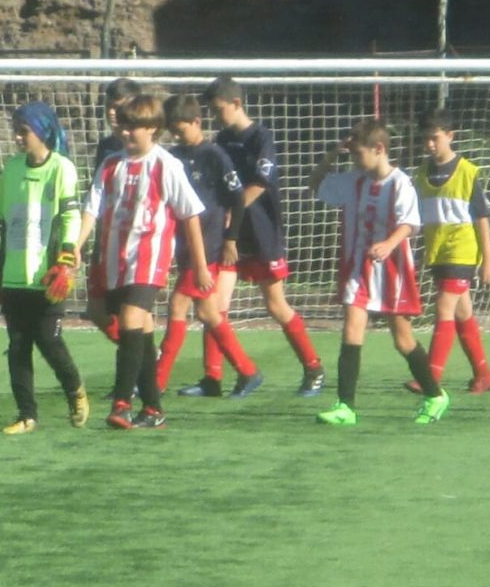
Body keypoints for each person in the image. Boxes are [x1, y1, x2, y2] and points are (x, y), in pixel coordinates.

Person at [183, 77, 324, 396]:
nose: (215, 116)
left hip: (260, 232)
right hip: (229, 236)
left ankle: (314, 369)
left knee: (276, 305)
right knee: (214, 306)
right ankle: (212, 378)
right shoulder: (221, 140)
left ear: (236, 103)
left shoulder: (261, 137)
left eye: (218, 109)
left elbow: (261, 182)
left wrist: (233, 209)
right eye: (210, 111)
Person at [77, 94, 208, 430]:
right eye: (123, 125)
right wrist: (75, 246)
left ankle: (121, 403)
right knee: (142, 333)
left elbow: (190, 214)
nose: (125, 132)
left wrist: (201, 265)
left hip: (149, 260)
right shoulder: (111, 164)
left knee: (131, 320)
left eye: (133, 127)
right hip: (115, 258)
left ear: (153, 128)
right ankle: (153, 408)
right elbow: (92, 208)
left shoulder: (166, 164)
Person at [308, 119, 448, 426]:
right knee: (351, 329)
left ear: (379, 149)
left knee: (403, 340)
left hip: (392, 273)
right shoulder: (354, 181)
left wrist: (388, 244)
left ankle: (435, 395)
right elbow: (316, 184)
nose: (355, 161)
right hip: (358, 270)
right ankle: (345, 406)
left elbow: (410, 222)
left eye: (358, 154)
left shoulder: (399, 182)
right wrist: (331, 155)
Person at [155, 94, 263, 397]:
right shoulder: (173, 156)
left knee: (178, 305)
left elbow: (237, 199)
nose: (177, 137)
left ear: (197, 122)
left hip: (208, 244)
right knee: (208, 312)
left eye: (181, 130)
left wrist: (231, 239)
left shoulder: (214, 155)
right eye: (172, 132)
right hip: (186, 244)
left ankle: (157, 382)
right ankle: (247, 371)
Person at [0, 102, 89, 435]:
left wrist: (65, 260)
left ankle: (75, 391)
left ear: (43, 131)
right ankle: (26, 415)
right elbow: (5, 222)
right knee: (18, 345)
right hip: (15, 274)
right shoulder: (12, 169)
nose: (18, 138)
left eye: (24, 131)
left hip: (48, 273)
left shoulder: (62, 168)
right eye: (15, 131)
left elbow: (70, 216)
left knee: (49, 340)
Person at [407, 107, 490, 395]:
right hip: (438, 253)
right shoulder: (421, 174)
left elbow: (482, 219)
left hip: (462, 252)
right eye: (425, 139)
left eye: (435, 138)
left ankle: (430, 376)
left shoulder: (468, 172)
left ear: (450, 136)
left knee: (443, 306)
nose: (430, 144)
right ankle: (483, 373)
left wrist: (488, 260)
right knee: (462, 312)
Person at [84, 77, 142, 348]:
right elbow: (96, 196)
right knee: (97, 311)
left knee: (133, 313)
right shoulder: (106, 147)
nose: (111, 112)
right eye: (108, 105)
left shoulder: (146, 148)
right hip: (106, 238)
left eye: (117, 106)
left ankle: (140, 363)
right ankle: (142, 357)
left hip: (136, 242)